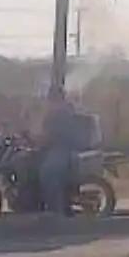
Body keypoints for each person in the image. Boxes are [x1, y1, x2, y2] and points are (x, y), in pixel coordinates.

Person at [38, 86, 80, 215]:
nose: (49, 101)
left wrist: (40, 140)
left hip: (63, 149)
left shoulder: (62, 112)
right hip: (55, 147)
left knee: (47, 172)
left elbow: (54, 135)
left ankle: (55, 209)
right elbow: (46, 133)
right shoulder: (54, 113)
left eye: (51, 98)